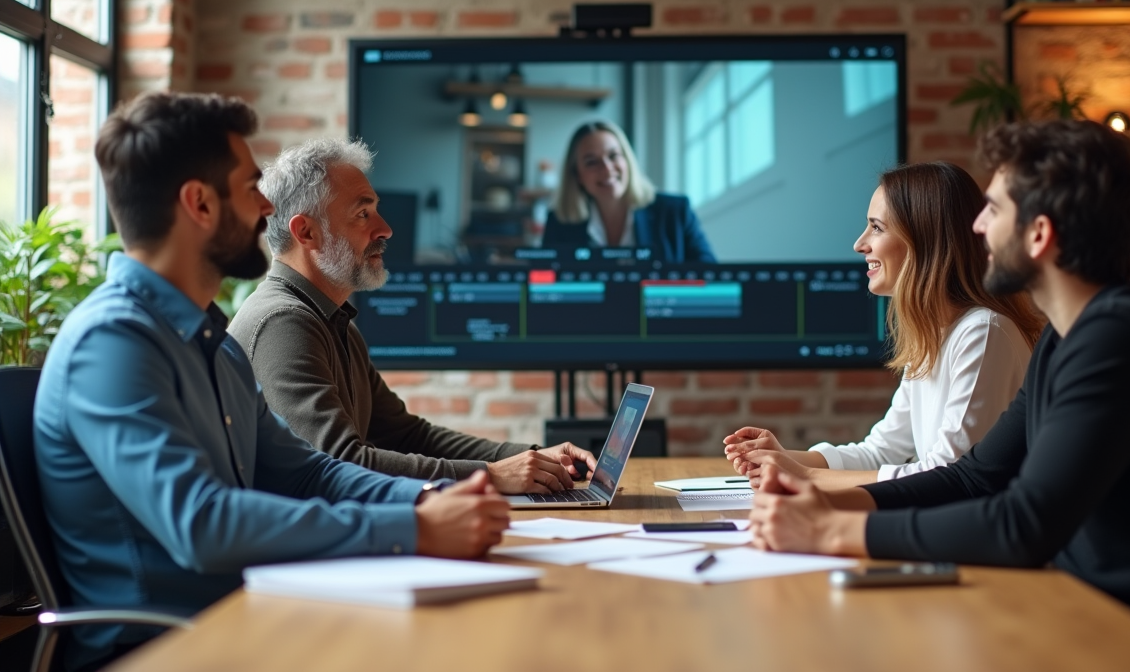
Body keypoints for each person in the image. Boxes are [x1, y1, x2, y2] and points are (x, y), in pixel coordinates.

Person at [34, 93, 510, 671]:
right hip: (165, 647)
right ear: (199, 204)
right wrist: (411, 527)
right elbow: (202, 523)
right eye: (250, 187)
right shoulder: (111, 344)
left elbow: (308, 469)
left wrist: (432, 499)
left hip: (247, 614)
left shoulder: (208, 338)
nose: (267, 207)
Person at [748, 120, 1130, 623]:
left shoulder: (1118, 340)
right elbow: (974, 478)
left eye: (995, 209)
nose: (978, 226)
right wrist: (830, 504)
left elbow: (1023, 524)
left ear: (1039, 234)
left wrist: (830, 532)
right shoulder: (1067, 336)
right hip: (1084, 606)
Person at [228, 138, 597, 494]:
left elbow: (409, 435)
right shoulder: (283, 322)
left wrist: (528, 458)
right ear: (305, 232)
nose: (385, 229)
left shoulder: (333, 321)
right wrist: (492, 475)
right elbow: (341, 463)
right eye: (363, 213)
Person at [725, 162, 1043, 490]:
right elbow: (881, 451)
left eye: (876, 228)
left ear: (924, 239)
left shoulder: (983, 333)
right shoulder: (934, 334)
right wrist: (786, 459)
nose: (860, 244)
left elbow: (948, 475)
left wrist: (806, 476)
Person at [541, 121, 716, 263]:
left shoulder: (675, 212)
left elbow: (710, 276)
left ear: (627, 161)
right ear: (577, 175)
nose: (607, 169)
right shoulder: (559, 224)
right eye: (591, 162)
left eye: (613, 156)